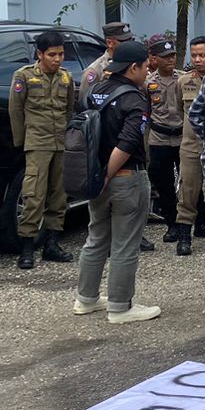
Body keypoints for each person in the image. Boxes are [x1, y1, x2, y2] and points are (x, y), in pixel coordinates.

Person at [72, 41, 160, 324]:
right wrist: (109, 172)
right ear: (133, 67)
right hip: (125, 178)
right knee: (124, 244)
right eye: (146, 67)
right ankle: (121, 307)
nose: (148, 72)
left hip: (96, 178)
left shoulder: (95, 90)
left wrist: (99, 176)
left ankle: (86, 299)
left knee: (96, 238)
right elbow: (129, 141)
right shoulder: (135, 99)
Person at [8, 29, 75, 270]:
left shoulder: (66, 77)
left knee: (58, 195)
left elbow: (69, 109)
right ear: (40, 54)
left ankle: (52, 244)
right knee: (34, 195)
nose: (57, 59)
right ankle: (27, 248)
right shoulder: (24, 76)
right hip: (37, 143)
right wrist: (21, 142)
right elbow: (15, 111)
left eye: (61, 54)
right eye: (52, 54)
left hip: (60, 143)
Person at [173, 35, 205, 253]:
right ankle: (184, 237)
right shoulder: (183, 81)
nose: (198, 59)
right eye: (194, 55)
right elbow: (181, 112)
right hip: (190, 145)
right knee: (187, 191)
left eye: (202, 55)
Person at [142, 36, 185, 240]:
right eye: (166, 57)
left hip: (182, 137)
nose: (170, 60)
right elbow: (146, 111)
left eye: (173, 56)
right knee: (164, 183)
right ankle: (172, 223)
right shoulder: (148, 83)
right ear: (155, 59)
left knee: (189, 181)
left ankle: (199, 221)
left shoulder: (184, 79)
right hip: (159, 138)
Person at [80, 21, 132, 97]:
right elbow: (84, 101)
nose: (129, 44)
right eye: (124, 41)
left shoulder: (134, 64)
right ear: (109, 43)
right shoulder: (95, 70)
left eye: (130, 40)